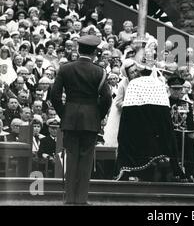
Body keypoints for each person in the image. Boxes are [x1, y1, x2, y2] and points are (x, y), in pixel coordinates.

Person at [50, 34, 112, 205]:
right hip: (91, 120)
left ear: (78, 50)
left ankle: (69, 199)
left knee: (71, 159)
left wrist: (64, 113)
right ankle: (81, 200)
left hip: (70, 118)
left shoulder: (65, 68)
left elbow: (54, 95)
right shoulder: (100, 71)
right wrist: (97, 115)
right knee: (85, 162)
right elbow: (107, 98)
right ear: (94, 53)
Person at [103, 59, 140, 147]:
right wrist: (129, 104)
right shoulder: (122, 84)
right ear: (127, 74)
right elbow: (118, 102)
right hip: (124, 115)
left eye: (135, 71)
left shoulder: (140, 81)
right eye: (132, 72)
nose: (135, 74)